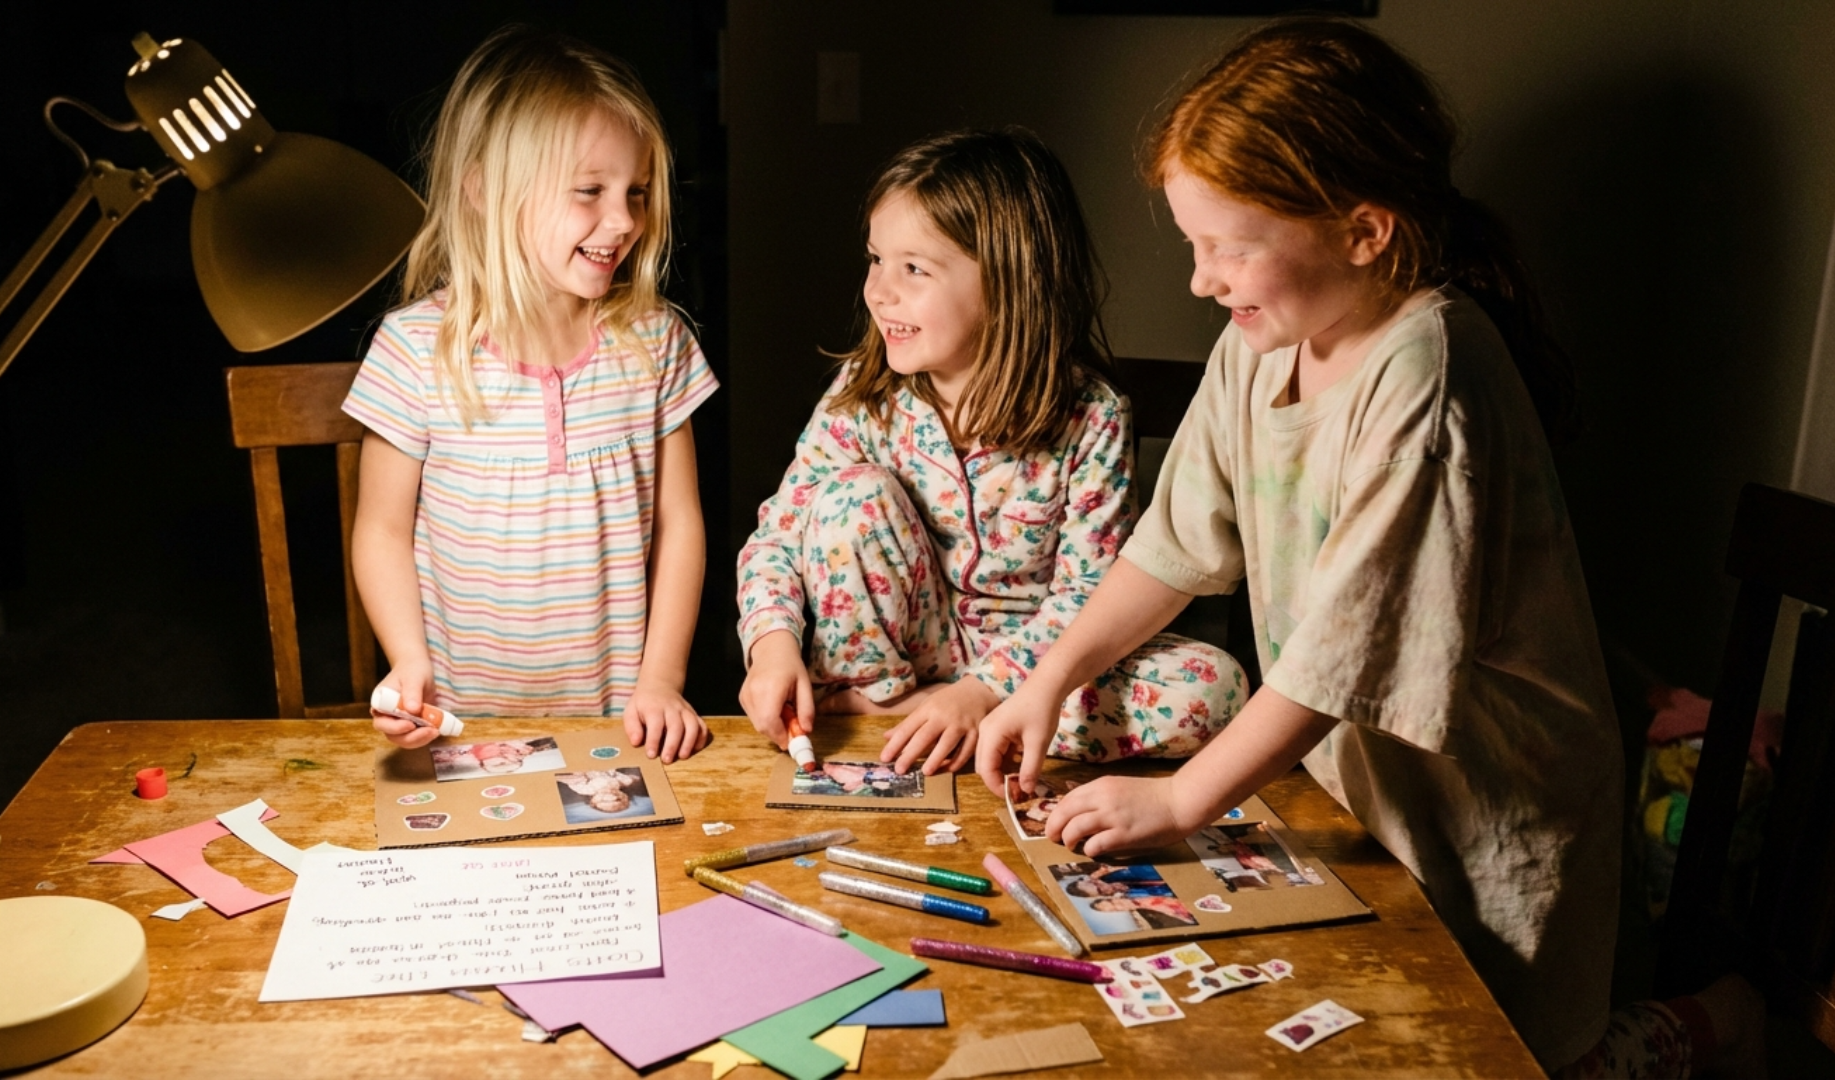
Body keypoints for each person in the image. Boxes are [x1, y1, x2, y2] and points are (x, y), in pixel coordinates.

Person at [973, 18, 1762, 1079]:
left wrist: (1178, 800)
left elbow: (1338, 651)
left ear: (1364, 232)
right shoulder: (1258, 348)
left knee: (1514, 1057)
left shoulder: (1428, 368)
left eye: (1228, 246)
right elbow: (1170, 549)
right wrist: (1049, 678)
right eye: (1191, 245)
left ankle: (1712, 1022)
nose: (1204, 280)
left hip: (1500, 797)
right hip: (1371, 784)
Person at [735, 128, 1246, 777]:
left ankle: (947, 720)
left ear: (1007, 281)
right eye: (875, 260)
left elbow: (1088, 596)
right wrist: (772, 646)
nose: (879, 291)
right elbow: (779, 538)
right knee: (847, 500)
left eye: (913, 269)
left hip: (1032, 662)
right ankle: (896, 706)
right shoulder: (865, 395)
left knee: (1216, 687)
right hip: (889, 659)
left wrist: (980, 693)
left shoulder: (1091, 415)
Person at [348, 26, 716, 763]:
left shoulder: (656, 343)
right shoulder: (415, 350)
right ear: (484, 189)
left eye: (636, 192)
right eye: (591, 192)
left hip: (615, 732)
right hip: (461, 733)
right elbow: (382, 530)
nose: (624, 221)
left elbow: (681, 525)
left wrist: (663, 679)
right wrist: (406, 660)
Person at [554, 770, 639, 814]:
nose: (611, 796)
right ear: (625, 796)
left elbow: (569, 777)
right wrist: (633, 779)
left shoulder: (585, 789)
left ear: (592, 801)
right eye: (618, 799)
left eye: (603, 800)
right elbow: (632, 777)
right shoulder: (623, 782)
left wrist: (579, 776)